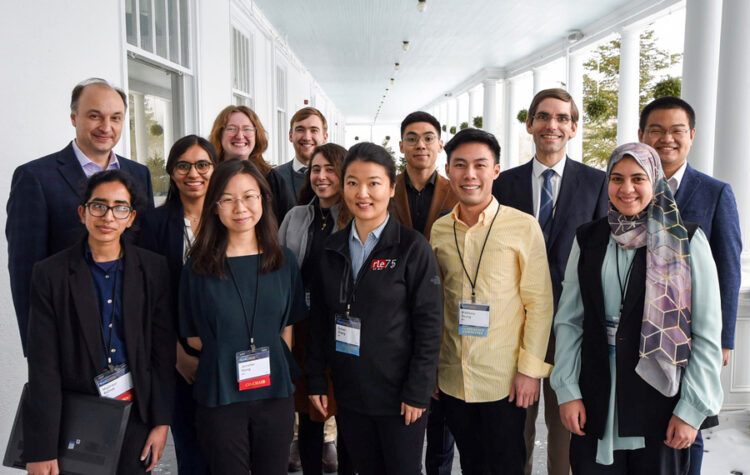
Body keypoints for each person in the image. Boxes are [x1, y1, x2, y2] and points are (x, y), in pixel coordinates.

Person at [551, 142, 723, 474]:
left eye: (637, 178)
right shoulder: (588, 238)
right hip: (596, 395)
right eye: (617, 178)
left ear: (655, 181)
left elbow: (705, 333)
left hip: (661, 401)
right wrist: (567, 390)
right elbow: (570, 321)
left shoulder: (686, 239)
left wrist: (691, 409)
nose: (626, 189)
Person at [23, 170, 174, 475]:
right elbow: (43, 367)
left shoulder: (154, 270)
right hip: (75, 415)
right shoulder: (50, 274)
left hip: (136, 413)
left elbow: (162, 353)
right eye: (99, 205)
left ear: (130, 218)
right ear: (83, 213)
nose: (108, 216)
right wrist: (41, 449)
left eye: (120, 207)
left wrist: (161, 422)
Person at [307, 142, 443, 475]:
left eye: (373, 183)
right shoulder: (331, 249)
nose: (362, 193)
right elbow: (319, 322)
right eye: (352, 182)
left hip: (400, 398)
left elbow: (429, 325)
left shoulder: (412, 248)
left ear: (392, 187)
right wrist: (316, 381)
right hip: (351, 392)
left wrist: (418, 390)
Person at [492, 88, 608, 475]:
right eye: (543, 117)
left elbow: (602, 253)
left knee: (565, 433)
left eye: (562, 118)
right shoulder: (504, 184)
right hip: (516, 327)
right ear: (529, 124)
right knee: (514, 431)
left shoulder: (597, 183)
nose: (551, 125)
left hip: (570, 326)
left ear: (574, 128)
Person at [430, 128, 553, 475]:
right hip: (453, 377)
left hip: (505, 381)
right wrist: (433, 369)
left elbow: (539, 304)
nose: (470, 175)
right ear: (448, 170)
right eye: (460, 165)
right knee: (470, 463)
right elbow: (434, 306)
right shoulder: (439, 231)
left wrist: (530, 372)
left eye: (480, 165)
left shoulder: (522, 227)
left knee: (506, 464)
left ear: (495, 170)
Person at [6, 77, 154, 354]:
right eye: (94, 116)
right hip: (67, 331)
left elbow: (143, 253)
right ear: (74, 117)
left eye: (116, 117)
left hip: (130, 327)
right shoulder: (35, 177)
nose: (106, 127)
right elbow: (25, 270)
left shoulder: (138, 174)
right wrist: (36, 346)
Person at [179, 158, 306, 474]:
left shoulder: (283, 261)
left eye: (249, 196)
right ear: (215, 206)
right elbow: (191, 335)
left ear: (263, 199)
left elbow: (287, 326)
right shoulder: (197, 268)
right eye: (228, 199)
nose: (241, 207)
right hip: (221, 396)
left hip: (275, 394)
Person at [637, 96, 741, 475]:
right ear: (641, 134)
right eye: (656, 130)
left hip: (692, 335)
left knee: (689, 425)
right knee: (649, 425)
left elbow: (729, 269)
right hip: (641, 333)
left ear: (691, 136)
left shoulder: (715, 193)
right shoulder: (628, 188)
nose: (666, 138)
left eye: (676, 130)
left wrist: (724, 339)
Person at [139, 135, 217, 474]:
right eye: (183, 165)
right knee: (191, 446)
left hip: (225, 352)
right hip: (176, 355)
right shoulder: (153, 223)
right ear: (171, 172)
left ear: (216, 169)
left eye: (202, 164)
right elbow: (147, 297)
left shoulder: (229, 219)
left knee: (226, 446)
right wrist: (176, 352)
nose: (193, 173)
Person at [279, 143, 354, 475]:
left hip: (344, 328)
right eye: (315, 169)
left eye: (330, 169)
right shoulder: (297, 216)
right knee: (308, 407)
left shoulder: (357, 216)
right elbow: (279, 268)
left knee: (347, 409)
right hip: (303, 327)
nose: (321, 176)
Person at [391, 111, 458, 475]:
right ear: (401, 145)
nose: (421, 145)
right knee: (404, 417)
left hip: (444, 313)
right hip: (396, 317)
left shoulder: (456, 191)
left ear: (439, 145)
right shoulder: (387, 189)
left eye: (429, 137)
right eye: (413, 138)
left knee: (441, 424)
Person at [209, 105, 295, 223]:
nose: (239, 136)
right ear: (219, 134)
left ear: (256, 135)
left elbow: (289, 224)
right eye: (231, 128)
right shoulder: (209, 177)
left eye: (247, 129)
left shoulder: (272, 179)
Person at [277, 107, 329, 201]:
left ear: (325, 137)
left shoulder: (336, 177)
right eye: (300, 129)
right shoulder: (275, 176)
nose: (307, 137)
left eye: (314, 130)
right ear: (290, 136)